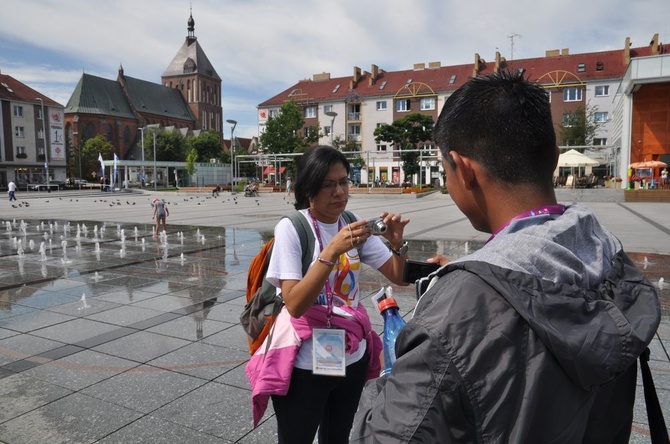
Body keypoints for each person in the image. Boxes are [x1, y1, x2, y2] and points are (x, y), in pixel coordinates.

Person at [350, 71, 661, 443]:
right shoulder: (605, 250)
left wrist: (391, 372)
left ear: (463, 169)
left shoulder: (455, 313)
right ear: (554, 160)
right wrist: (480, 279)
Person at [246, 145, 410, 444]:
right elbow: (294, 303)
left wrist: (397, 244)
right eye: (328, 184)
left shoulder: (350, 222)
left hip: (353, 355)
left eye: (344, 182)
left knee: (337, 438)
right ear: (309, 189)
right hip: (305, 363)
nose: (339, 192)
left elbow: (396, 275)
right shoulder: (293, 228)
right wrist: (332, 250)